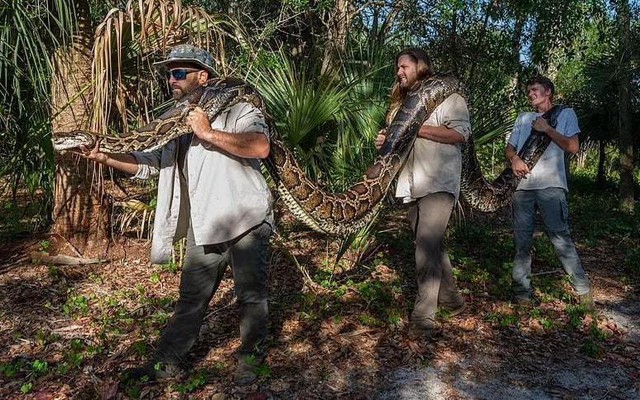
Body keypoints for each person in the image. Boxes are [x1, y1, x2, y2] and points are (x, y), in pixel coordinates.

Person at [79, 44, 274, 386]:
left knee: (251, 296)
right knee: (190, 299)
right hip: (205, 222)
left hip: (246, 218)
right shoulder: (172, 122)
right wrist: (105, 157)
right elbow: (147, 163)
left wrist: (208, 132)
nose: (172, 79)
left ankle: (250, 359)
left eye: (180, 72)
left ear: (204, 76)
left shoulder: (240, 108)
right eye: (169, 73)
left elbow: (260, 146)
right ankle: (167, 363)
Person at [375, 48, 469, 338]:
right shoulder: (400, 105)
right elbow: (396, 143)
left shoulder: (449, 97)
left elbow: (459, 135)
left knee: (425, 244)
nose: (399, 72)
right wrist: (385, 141)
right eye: (397, 67)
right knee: (429, 243)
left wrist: (418, 129)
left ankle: (423, 318)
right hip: (411, 183)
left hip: (439, 181)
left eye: (404, 66)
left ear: (420, 66)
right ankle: (452, 301)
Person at [505, 75, 593, 309]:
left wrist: (547, 129)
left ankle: (583, 293)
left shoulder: (565, 114)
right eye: (528, 91)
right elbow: (510, 148)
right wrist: (513, 159)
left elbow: (573, 147)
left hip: (551, 187)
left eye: (535, 89)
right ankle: (522, 295)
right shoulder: (523, 118)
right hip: (522, 188)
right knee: (521, 243)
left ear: (548, 91)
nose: (531, 94)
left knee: (560, 239)